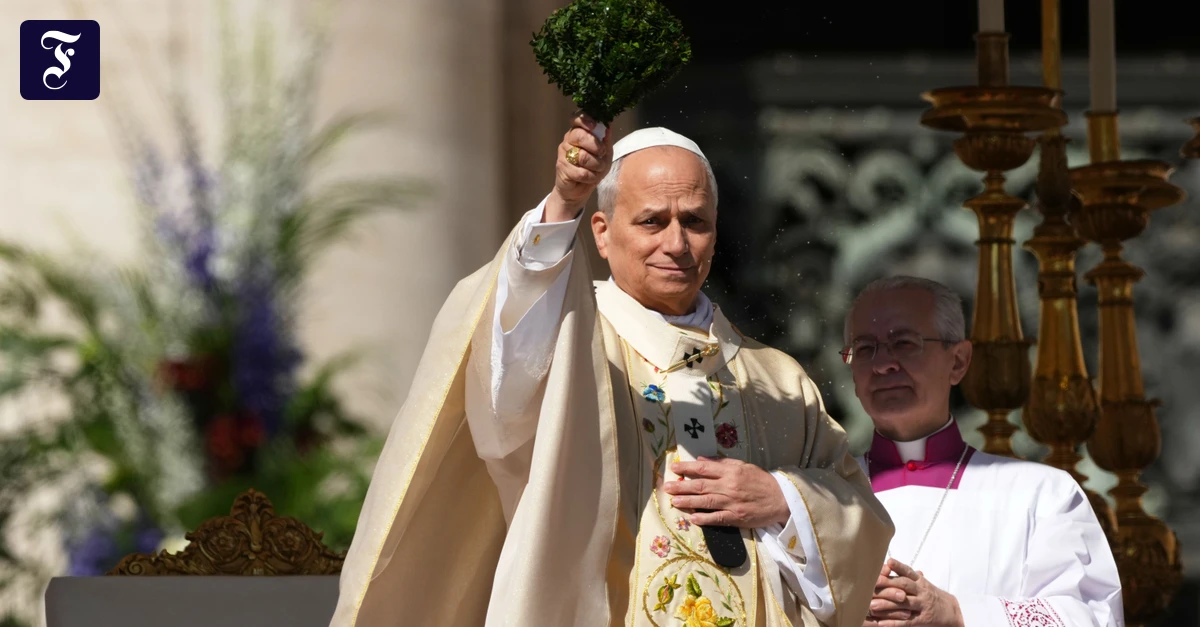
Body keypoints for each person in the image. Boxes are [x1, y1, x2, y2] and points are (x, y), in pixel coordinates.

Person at [330, 116, 893, 627]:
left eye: (695, 222)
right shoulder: (571, 345)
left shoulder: (777, 380)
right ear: (601, 232)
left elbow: (860, 519)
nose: (676, 243)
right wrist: (562, 202)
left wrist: (782, 499)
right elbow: (510, 361)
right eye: (652, 221)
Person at [841, 275, 1123, 627]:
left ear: (958, 361)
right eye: (864, 349)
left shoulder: (1042, 494)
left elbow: (1091, 618)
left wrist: (957, 613)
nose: (883, 364)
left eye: (904, 343)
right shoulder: (820, 497)